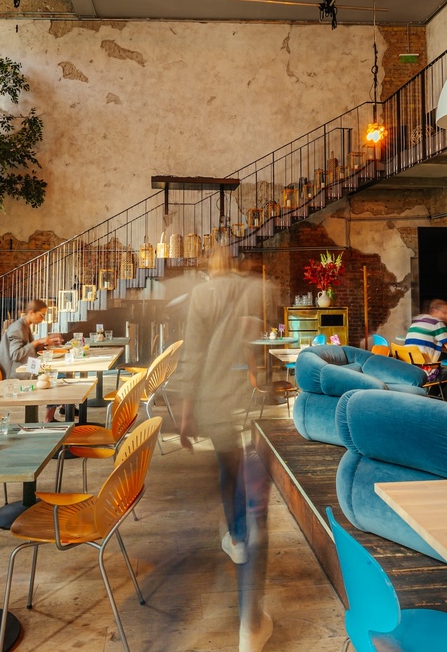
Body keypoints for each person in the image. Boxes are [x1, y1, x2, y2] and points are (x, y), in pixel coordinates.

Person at [176, 245, 273, 652]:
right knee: (254, 486)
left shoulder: (201, 295)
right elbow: (255, 338)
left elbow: (194, 353)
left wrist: (185, 412)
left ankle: (236, 537)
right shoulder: (254, 288)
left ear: (208, 267)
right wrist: (251, 374)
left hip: (215, 400)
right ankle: (251, 621)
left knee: (228, 468)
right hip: (249, 397)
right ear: (233, 264)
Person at [0, 299, 63, 422]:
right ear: (31, 312)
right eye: (41, 315)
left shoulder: (24, 325)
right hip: (13, 373)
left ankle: (54, 414)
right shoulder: (17, 329)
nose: (43, 318)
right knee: (55, 376)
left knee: (54, 373)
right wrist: (37, 341)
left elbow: (27, 350)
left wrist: (46, 342)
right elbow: (16, 355)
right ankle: (49, 418)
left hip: (22, 366)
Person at [403, 299, 447, 401]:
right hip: (424, 370)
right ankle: (436, 403)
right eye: (446, 313)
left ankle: (431, 400)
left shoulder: (418, 322)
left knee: (442, 373)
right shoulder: (436, 323)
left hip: (409, 368)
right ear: (435, 311)